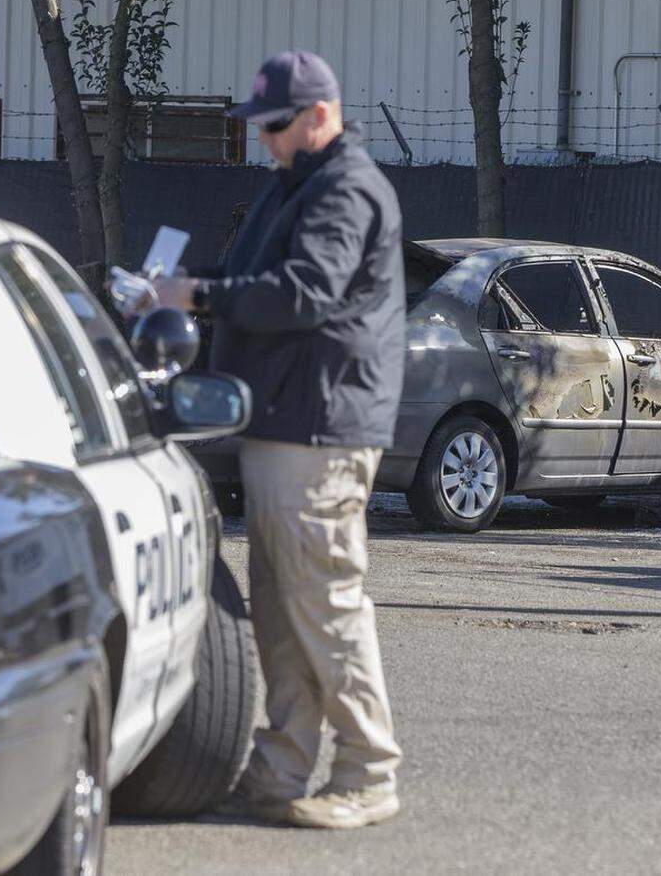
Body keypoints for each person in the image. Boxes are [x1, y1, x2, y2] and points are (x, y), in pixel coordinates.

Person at [146, 50, 404, 830]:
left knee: (323, 603)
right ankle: (280, 771)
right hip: (286, 423)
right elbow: (258, 278)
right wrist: (186, 286)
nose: (264, 138)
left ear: (321, 115)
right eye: (257, 125)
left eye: (275, 124)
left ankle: (368, 772)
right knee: (285, 612)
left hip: (317, 430)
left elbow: (305, 293)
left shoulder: (346, 187)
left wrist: (197, 293)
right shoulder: (297, 181)